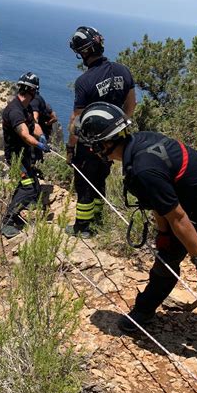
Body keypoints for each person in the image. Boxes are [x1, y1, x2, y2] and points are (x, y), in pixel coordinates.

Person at [77, 102, 197, 393]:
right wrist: (165, 237)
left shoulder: (142, 167)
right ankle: (143, 314)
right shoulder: (137, 149)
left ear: (103, 145)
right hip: (192, 203)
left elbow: (178, 216)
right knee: (165, 260)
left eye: (93, 145)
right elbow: (161, 205)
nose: (92, 150)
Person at [66, 26, 136, 238]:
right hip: (114, 142)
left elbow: (75, 120)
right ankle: (97, 220)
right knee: (100, 178)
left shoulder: (84, 82)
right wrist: (118, 131)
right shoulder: (123, 71)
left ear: (84, 53)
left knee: (85, 182)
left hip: (89, 142)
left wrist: (70, 147)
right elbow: (131, 105)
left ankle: (82, 227)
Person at [0, 72, 50, 239]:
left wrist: (41, 135)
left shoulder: (26, 107)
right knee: (28, 187)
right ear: (34, 91)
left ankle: (14, 215)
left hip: (24, 154)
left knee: (33, 186)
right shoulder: (14, 110)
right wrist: (39, 144)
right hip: (15, 156)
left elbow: (33, 125)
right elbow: (24, 134)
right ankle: (7, 221)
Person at [30, 90, 58, 163]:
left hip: (41, 131)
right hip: (42, 130)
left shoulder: (44, 106)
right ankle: (39, 162)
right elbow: (55, 117)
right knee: (37, 148)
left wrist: (46, 123)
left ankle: (37, 164)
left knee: (35, 148)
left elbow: (54, 118)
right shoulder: (45, 105)